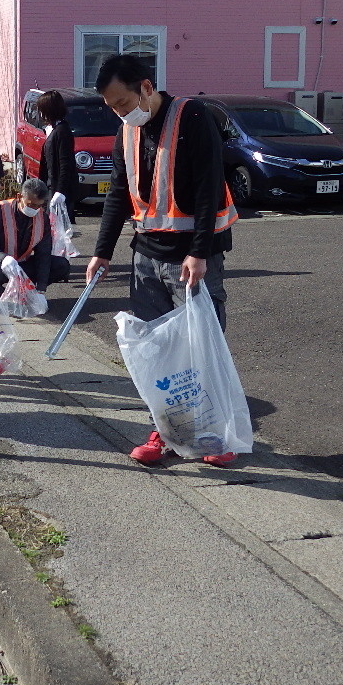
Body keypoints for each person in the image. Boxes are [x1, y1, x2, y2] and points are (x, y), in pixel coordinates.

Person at [85, 54, 239, 468]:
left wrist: (201, 250)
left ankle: (214, 433)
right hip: (146, 256)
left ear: (146, 89)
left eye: (122, 103)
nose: (120, 113)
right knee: (156, 353)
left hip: (191, 258)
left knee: (201, 348)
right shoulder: (127, 132)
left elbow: (209, 184)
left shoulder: (192, 117)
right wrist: (102, 251)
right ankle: (165, 433)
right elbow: (119, 191)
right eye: (113, 107)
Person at [0, 178, 69, 295]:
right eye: (31, 204)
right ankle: (2, 296)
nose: (34, 209)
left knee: (61, 265)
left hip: (22, 264)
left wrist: (41, 288)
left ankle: (26, 292)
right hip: (0, 264)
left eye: (39, 206)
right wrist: (3, 258)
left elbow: (43, 254)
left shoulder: (43, 218)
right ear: (19, 197)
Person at [36, 90, 79, 220]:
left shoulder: (62, 131)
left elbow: (66, 163)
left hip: (58, 189)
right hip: (50, 187)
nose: (40, 114)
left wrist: (60, 191)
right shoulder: (54, 130)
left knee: (57, 230)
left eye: (42, 109)